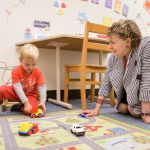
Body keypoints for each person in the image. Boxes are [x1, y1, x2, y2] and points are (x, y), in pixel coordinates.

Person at [80, 19, 150, 124]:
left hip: (146, 90)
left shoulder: (144, 46)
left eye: (113, 42)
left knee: (133, 111)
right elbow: (106, 81)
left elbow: (146, 79)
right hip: (132, 93)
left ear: (128, 41)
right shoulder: (114, 57)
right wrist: (97, 109)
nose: (110, 46)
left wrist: (145, 113)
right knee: (122, 108)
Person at [0, 44, 47, 115]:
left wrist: (43, 102)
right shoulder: (16, 71)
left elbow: (42, 87)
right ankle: (23, 104)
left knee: (32, 110)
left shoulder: (38, 72)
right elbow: (17, 88)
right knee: (2, 89)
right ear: (20, 61)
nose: (30, 67)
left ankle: (19, 107)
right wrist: (26, 102)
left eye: (33, 64)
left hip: (30, 95)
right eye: (27, 65)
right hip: (16, 92)